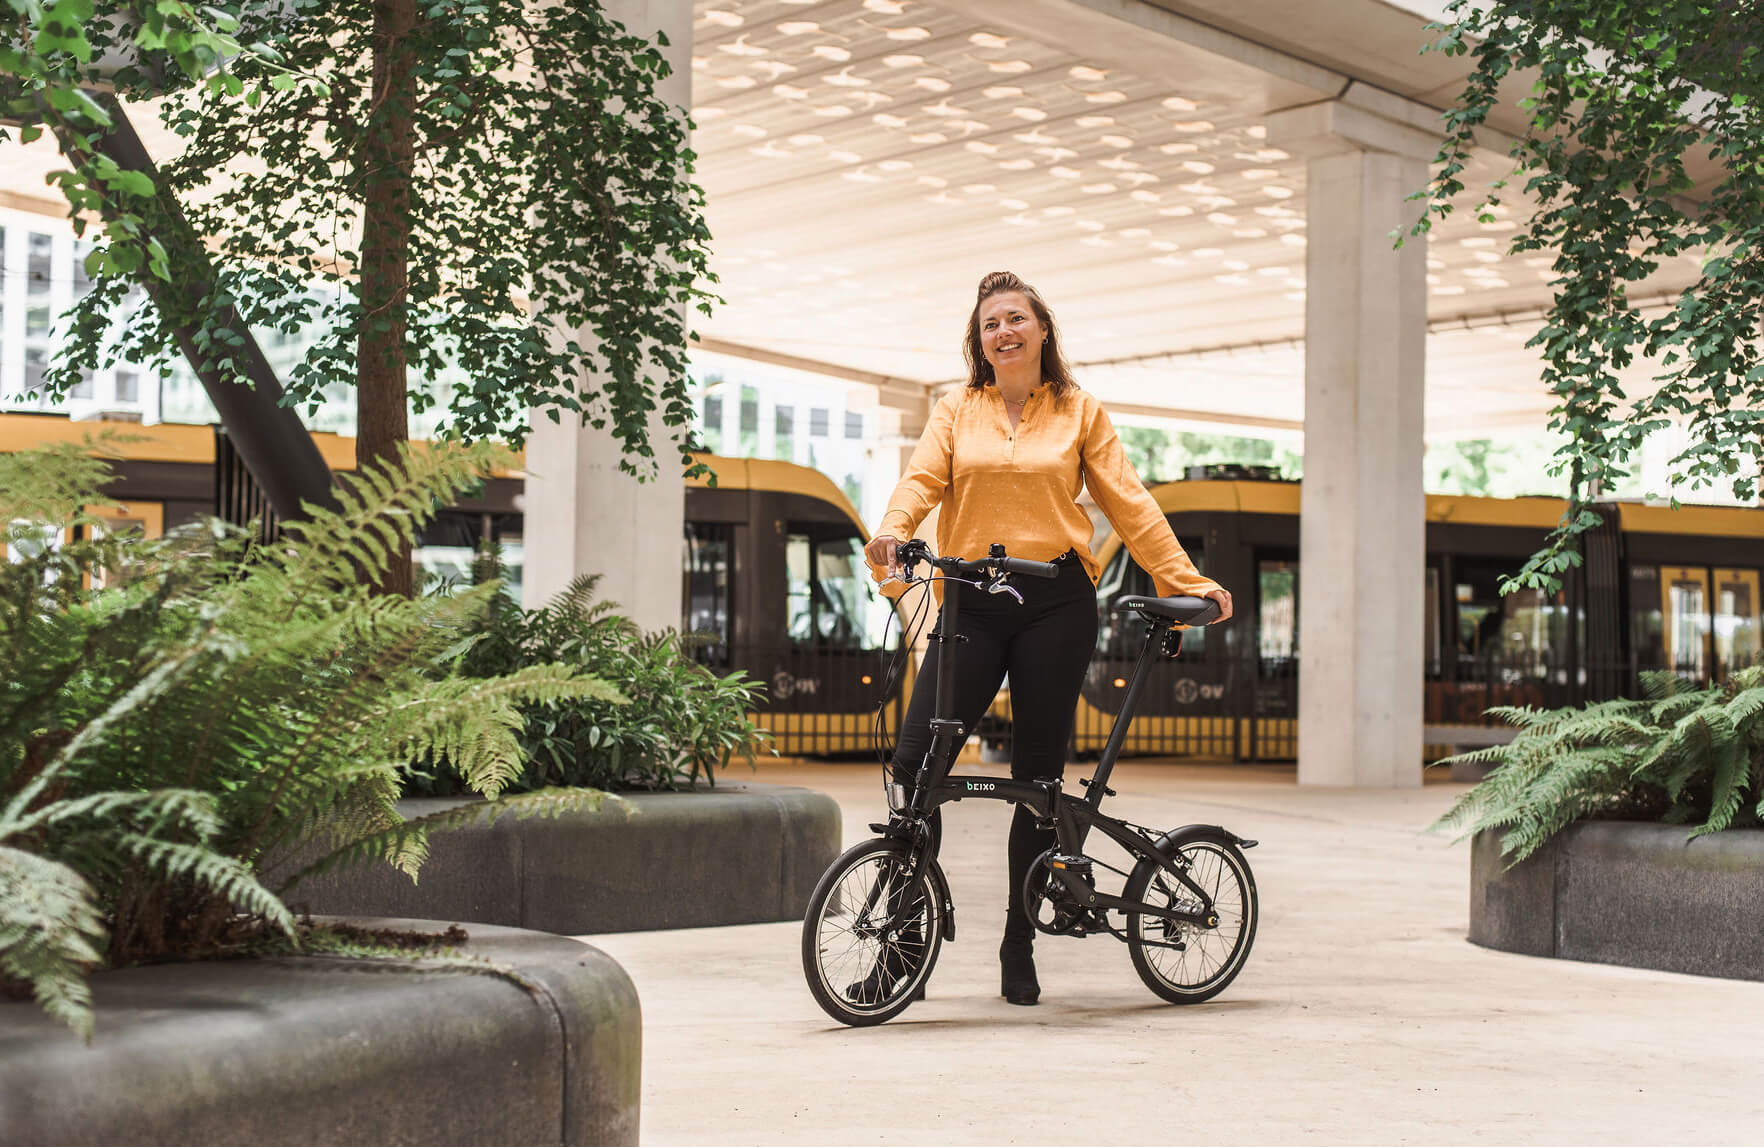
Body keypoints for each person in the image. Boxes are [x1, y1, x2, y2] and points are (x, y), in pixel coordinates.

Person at [864, 270, 1232, 1007]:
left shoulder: (1078, 410)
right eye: (990, 323)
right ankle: (906, 937)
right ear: (980, 341)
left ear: (1041, 331)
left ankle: (1018, 937)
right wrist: (894, 532)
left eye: (1015, 318)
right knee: (915, 764)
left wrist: (1185, 579)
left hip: (1054, 601)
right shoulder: (955, 409)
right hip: (971, 597)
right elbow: (920, 481)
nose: (1003, 331)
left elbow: (1128, 501)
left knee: (1037, 782)